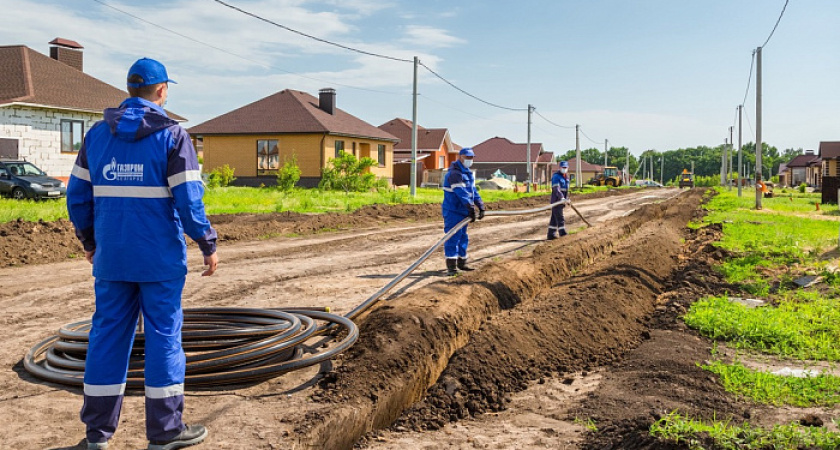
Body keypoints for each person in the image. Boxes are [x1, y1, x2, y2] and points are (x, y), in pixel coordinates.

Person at [67, 57, 217, 450]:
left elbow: (77, 198)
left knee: (107, 337)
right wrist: (206, 243)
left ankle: (96, 436)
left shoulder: (97, 136)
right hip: (159, 260)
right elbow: (189, 201)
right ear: (162, 91)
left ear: (130, 90)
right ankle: (165, 433)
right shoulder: (173, 137)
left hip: (112, 258)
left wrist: (90, 243)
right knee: (164, 337)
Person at [442, 147, 485, 276]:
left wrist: (480, 205)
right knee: (452, 237)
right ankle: (451, 267)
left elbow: (473, 191)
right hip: (453, 210)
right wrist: (470, 207)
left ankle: (462, 262)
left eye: (471, 157)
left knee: (463, 237)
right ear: (460, 157)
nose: (470, 160)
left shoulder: (467, 173)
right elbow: (461, 193)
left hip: (463, 211)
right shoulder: (454, 174)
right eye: (467, 157)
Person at [547, 160, 571, 240]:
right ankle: (562, 233)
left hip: (562, 201)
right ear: (560, 167)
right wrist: (561, 197)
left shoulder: (566, 178)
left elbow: (566, 190)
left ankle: (551, 234)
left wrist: (567, 199)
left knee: (554, 219)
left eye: (565, 167)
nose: (564, 169)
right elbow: (556, 189)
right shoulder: (556, 177)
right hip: (556, 201)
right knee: (560, 218)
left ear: (567, 168)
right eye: (563, 167)